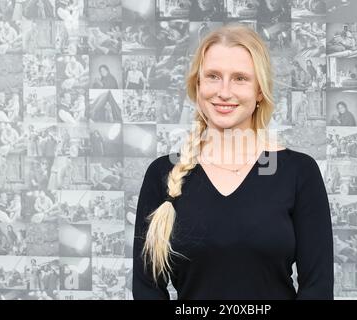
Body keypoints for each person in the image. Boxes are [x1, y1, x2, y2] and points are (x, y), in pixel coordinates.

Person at [132, 24, 333, 300]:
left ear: (260, 90)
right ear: (198, 85)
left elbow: (318, 289)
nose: (224, 92)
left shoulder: (299, 173)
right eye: (213, 76)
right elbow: (147, 289)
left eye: (240, 78)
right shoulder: (161, 174)